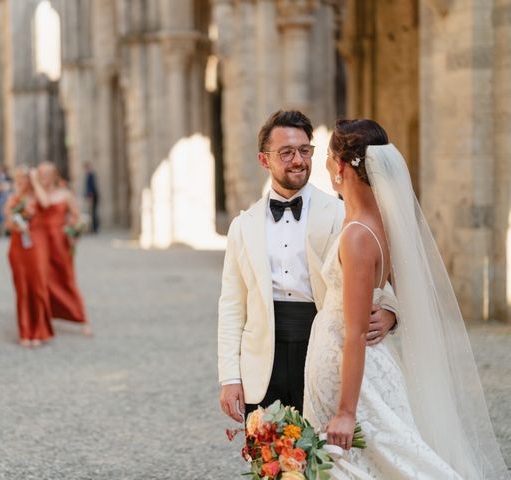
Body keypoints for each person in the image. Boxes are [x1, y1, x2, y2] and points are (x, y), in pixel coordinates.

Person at [302, 119, 509, 478]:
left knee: (377, 462)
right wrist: (391, 313)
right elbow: (405, 289)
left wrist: (347, 412)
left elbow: (354, 332)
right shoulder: (380, 221)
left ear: (340, 166)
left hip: (349, 369)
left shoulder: (357, 235)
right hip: (362, 361)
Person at [217, 110, 398, 424]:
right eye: (286, 153)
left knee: (324, 459)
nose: (298, 160)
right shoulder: (242, 226)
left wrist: (392, 312)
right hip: (263, 357)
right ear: (264, 160)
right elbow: (232, 305)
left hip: (325, 348)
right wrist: (230, 377)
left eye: (304, 150)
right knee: (271, 462)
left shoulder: (342, 213)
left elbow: (378, 270)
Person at [30, 162, 92, 337]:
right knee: (43, 280)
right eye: (41, 174)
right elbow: (42, 203)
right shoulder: (35, 194)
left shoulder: (65, 194)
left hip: (59, 242)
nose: (44, 177)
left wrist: (74, 232)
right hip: (41, 242)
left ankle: (81, 318)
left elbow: (77, 217)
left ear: (55, 175)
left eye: (47, 174)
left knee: (65, 279)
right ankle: (45, 317)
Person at [5, 166, 54, 347]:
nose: (19, 182)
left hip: (38, 245)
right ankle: (25, 331)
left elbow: (46, 203)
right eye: (17, 179)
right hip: (18, 247)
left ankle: (40, 330)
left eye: (22, 178)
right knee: (22, 288)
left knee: (38, 286)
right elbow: (8, 224)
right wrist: (18, 226)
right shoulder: (13, 199)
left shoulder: (37, 197)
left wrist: (35, 181)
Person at [84, 162, 99, 234]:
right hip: (92, 195)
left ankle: (94, 228)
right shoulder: (91, 174)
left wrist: (90, 196)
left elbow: (91, 187)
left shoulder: (91, 174)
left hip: (92, 195)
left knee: (93, 212)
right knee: (93, 212)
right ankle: (94, 228)